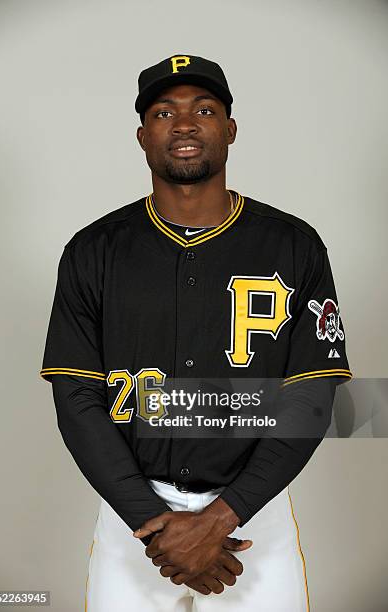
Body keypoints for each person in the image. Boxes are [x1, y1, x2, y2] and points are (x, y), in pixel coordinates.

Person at [40, 53, 352, 612]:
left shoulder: (294, 244)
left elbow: (312, 396)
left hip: (254, 517)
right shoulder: (93, 250)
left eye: (203, 109)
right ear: (142, 136)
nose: (183, 123)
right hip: (131, 519)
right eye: (164, 112)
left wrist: (221, 518)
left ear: (230, 129)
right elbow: (76, 398)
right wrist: (151, 524)